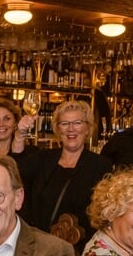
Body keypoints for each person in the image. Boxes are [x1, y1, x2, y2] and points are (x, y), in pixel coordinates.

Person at [17, 99, 111, 240]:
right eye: (64, 123)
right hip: (40, 247)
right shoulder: (42, 159)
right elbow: (13, 173)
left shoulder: (101, 165)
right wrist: (19, 135)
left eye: (77, 123)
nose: (70, 128)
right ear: (58, 129)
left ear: (87, 129)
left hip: (79, 252)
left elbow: (104, 215)